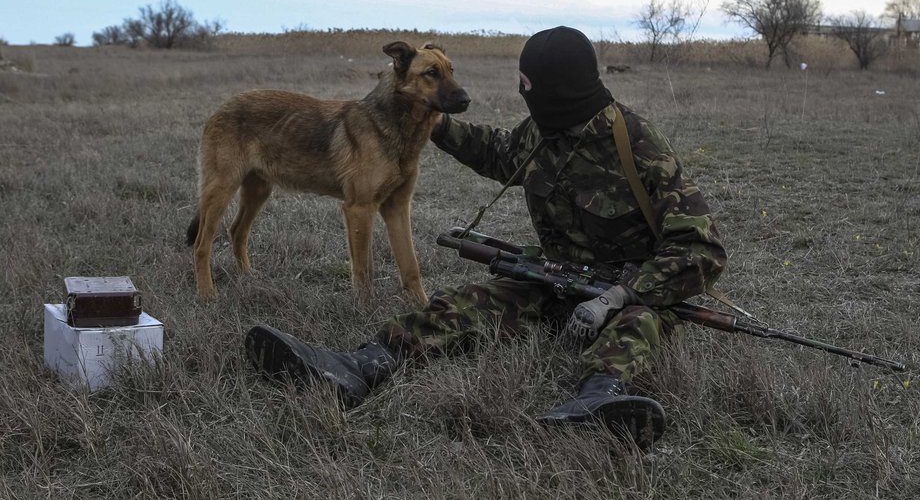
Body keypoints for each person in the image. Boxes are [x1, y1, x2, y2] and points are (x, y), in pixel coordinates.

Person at [245, 26, 727, 448]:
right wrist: (431, 121)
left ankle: (600, 398)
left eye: (530, 88)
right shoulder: (546, 130)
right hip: (554, 277)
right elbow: (499, 155)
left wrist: (620, 294)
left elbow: (701, 251)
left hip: (629, 291)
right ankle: (359, 365)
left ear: (556, 91)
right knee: (468, 301)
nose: (525, 98)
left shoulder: (639, 146)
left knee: (637, 325)